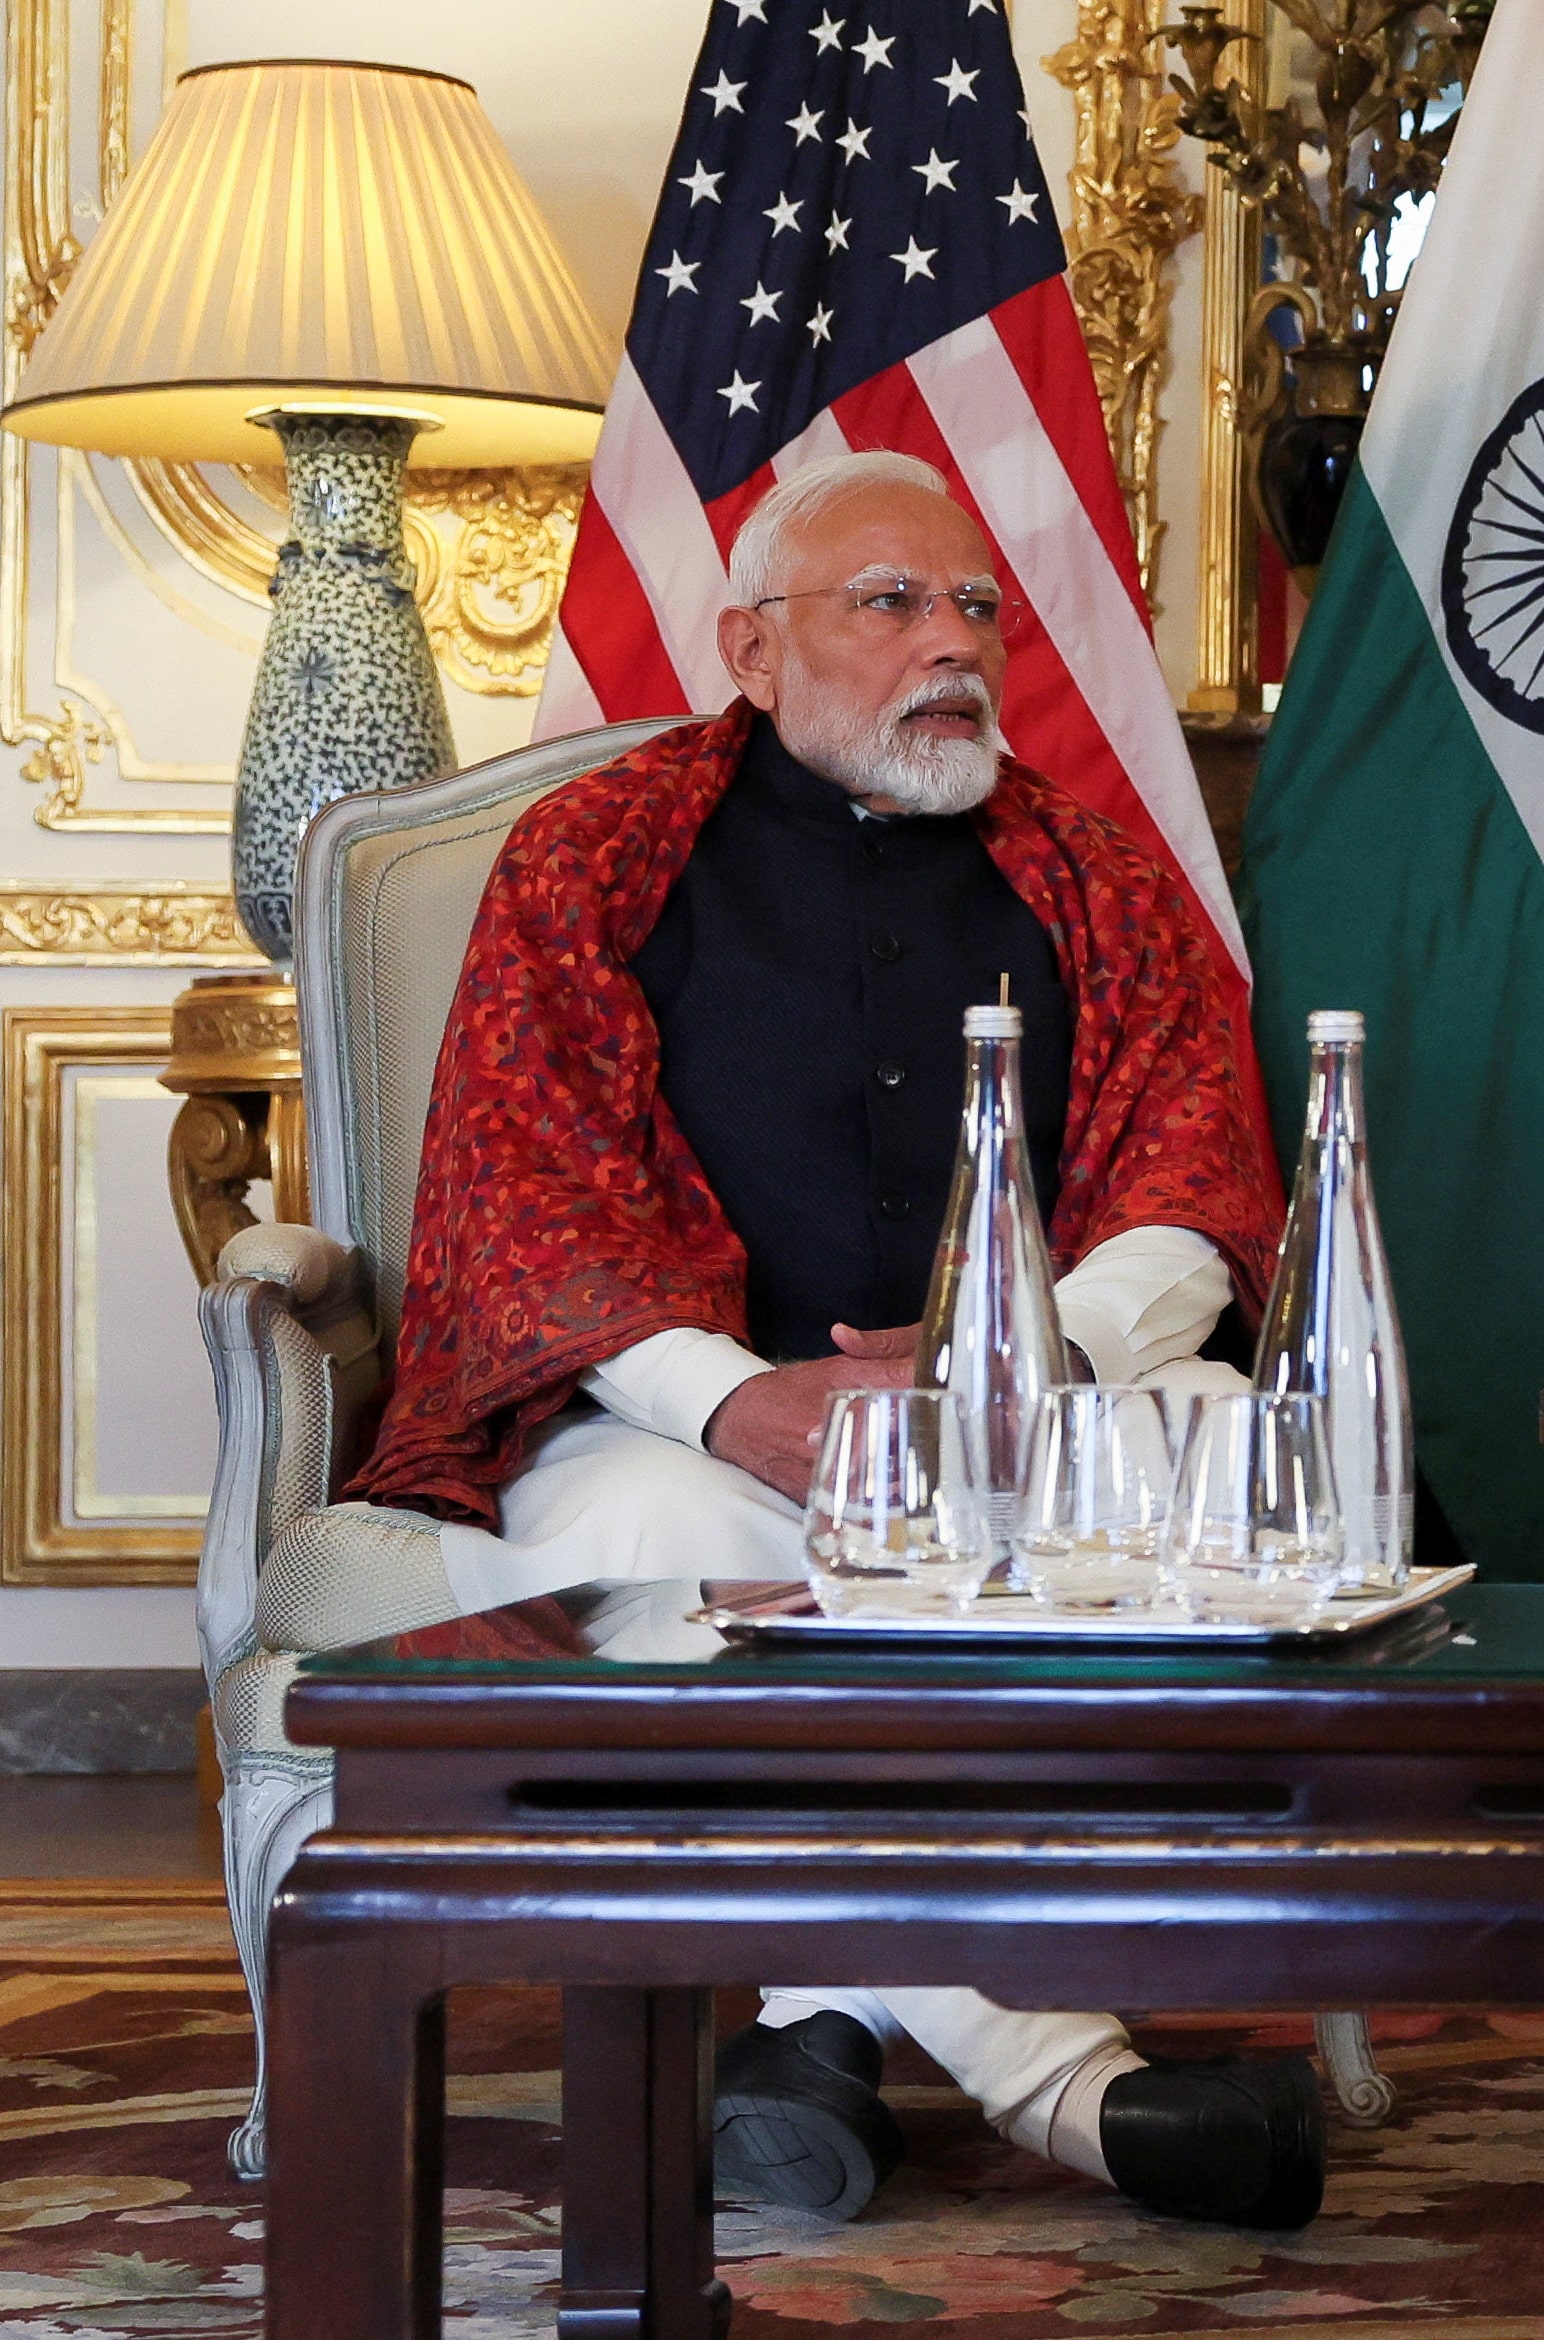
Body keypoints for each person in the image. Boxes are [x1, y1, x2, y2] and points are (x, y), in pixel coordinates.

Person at [343, 450, 1321, 2232]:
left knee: (1216, 1467)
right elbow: (531, 1198)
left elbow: (1193, 1188)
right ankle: (1071, 2088)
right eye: (891, 604)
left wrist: (1018, 1362)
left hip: (1037, 1420)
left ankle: (816, 2033)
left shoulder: (1096, 877)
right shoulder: (594, 863)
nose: (952, 643)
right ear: (751, 649)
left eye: (975, 610)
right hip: (681, 1427)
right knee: (657, 1556)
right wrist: (745, 1409)